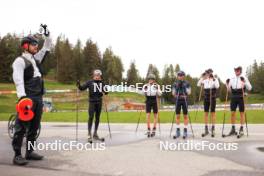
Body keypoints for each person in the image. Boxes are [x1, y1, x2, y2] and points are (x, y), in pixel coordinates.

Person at [12, 26, 52, 165]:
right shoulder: (20, 61)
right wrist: (22, 98)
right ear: (25, 46)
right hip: (27, 98)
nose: (36, 46)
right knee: (21, 127)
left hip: (38, 98)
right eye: (34, 44)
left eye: (36, 44)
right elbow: (18, 80)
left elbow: (46, 47)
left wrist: (47, 34)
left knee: (34, 127)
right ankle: (17, 155)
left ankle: (29, 152)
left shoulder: (36, 59)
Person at [77, 69, 108, 142]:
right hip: (92, 102)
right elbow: (82, 88)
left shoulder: (102, 83)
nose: (97, 76)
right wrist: (78, 85)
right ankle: (89, 134)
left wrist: (105, 90)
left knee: (97, 117)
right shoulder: (89, 82)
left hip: (99, 102)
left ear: (100, 76)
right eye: (96, 75)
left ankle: (95, 133)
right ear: (94, 75)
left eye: (98, 75)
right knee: (91, 117)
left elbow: (106, 92)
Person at [226, 66, 252, 137]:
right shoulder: (232, 79)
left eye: (238, 70)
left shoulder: (244, 78)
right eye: (235, 70)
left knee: (241, 113)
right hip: (233, 96)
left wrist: (244, 82)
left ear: (240, 71)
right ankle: (233, 129)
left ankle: (241, 129)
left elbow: (250, 88)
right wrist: (227, 85)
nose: (236, 71)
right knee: (232, 113)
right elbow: (229, 90)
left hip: (241, 96)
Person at [197, 69, 219, 137]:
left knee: (213, 113)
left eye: (209, 73)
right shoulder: (205, 80)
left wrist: (214, 78)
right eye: (207, 73)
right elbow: (198, 84)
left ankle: (213, 128)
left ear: (211, 73)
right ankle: (206, 129)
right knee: (206, 113)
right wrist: (202, 77)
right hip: (206, 98)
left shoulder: (215, 79)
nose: (208, 74)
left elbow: (217, 86)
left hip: (212, 98)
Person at [172, 71, 191, 139]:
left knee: (185, 115)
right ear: (177, 76)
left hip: (185, 100)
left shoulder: (187, 83)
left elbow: (189, 92)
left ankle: (185, 131)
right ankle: (178, 131)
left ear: (183, 76)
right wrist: (177, 87)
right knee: (177, 116)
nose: (180, 76)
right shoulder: (175, 83)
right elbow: (173, 93)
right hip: (178, 100)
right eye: (179, 75)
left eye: (181, 75)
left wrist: (184, 87)